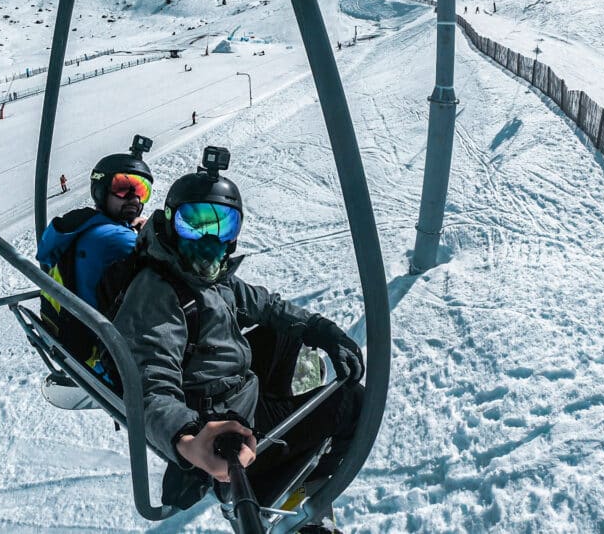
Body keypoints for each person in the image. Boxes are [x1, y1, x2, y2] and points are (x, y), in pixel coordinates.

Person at [112, 147, 364, 527]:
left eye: (223, 226)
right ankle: (280, 487)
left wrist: (321, 331)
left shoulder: (206, 275)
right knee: (351, 402)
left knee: (283, 333)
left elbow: (266, 305)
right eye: (193, 223)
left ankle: (280, 419)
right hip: (223, 421)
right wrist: (188, 438)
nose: (208, 238)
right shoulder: (157, 293)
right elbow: (150, 385)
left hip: (235, 384)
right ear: (169, 224)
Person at [37, 136, 154, 363]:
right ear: (100, 190)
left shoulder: (85, 225)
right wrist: (147, 233)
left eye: (141, 190)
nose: (133, 198)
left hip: (81, 342)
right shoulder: (115, 239)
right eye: (122, 188)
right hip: (106, 359)